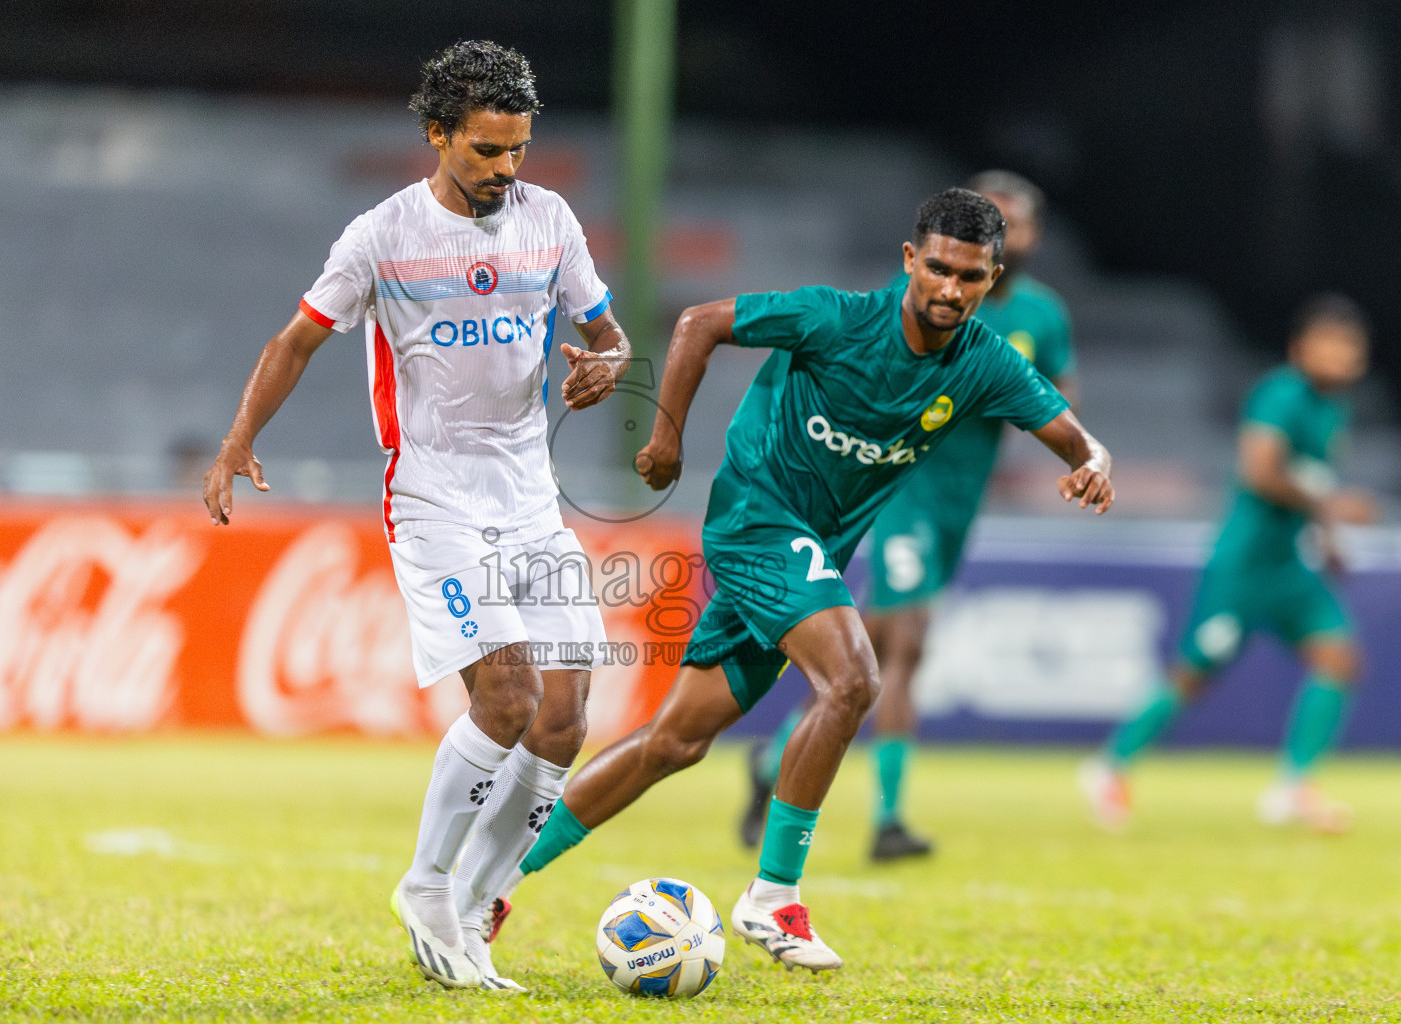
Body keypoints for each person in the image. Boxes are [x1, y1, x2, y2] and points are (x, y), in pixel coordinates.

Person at [500, 188, 1116, 974]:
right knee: (854, 678)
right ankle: (772, 899)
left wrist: (1092, 465)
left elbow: (1073, 436)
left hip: (807, 549)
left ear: (992, 278)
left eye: (969, 277)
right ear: (909, 261)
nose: (949, 290)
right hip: (756, 519)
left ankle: (495, 880)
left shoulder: (986, 362)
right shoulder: (836, 319)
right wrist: (665, 442)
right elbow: (700, 323)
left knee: (674, 743)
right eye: (936, 268)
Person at [202, 40, 632, 991]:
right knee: (508, 699)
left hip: (530, 495)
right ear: (438, 134)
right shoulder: (381, 237)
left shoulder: (548, 219)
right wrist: (237, 442)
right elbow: (297, 340)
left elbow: (607, 328)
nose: (506, 170)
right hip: (435, 496)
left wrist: (608, 361)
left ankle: (473, 905)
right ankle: (426, 882)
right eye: (486, 150)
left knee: (566, 715)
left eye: (518, 148)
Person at [739, 171, 1077, 862]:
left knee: (874, 638)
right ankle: (889, 818)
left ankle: (773, 759)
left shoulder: (1041, 317)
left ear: (1022, 241)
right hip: (903, 485)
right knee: (907, 640)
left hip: (960, 500)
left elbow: (1054, 395)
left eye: (1013, 220)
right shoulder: (923, 305)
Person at [1080, 295, 1373, 833]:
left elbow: (1313, 480)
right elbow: (1261, 472)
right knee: (1195, 674)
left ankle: (1293, 786)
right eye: (1329, 344)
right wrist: (1331, 508)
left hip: (1289, 566)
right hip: (1243, 567)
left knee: (1338, 659)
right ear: (1300, 346)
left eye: (1349, 348)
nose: (1339, 356)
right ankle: (1109, 766)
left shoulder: (1335, 409)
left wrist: (1327, 537)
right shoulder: (1280, 393)